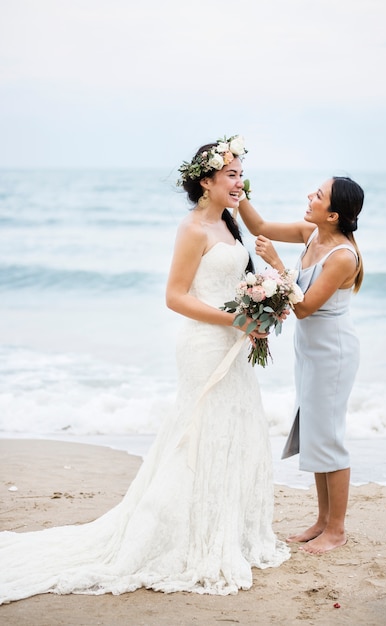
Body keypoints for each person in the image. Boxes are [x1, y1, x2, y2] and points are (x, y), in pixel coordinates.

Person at [0, 136, 290, 604]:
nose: (240, 182)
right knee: (197, 433)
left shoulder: (230, 223)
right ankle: (177, 536)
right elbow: (176, 297)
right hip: (203, 344)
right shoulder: (193, 228)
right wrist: (236, 318)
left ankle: (223, 530)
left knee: (235, 428)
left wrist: (258, 312)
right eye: (232, 174)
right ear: (206, 179)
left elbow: (235, 284)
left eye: (241, 174)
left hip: (233, 343)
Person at [238, 176, 364, 554]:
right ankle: (323, 520)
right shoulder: (312, 233)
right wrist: (238, 194)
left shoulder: (342, 255)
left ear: (334, 214)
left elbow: (306, 308)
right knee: (314, 431)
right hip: (311, 351)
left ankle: (337, 530)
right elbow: (258, 227)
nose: (310, 196)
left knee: (329, 437)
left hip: (333, 352)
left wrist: (276, 263)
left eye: (319, 195)